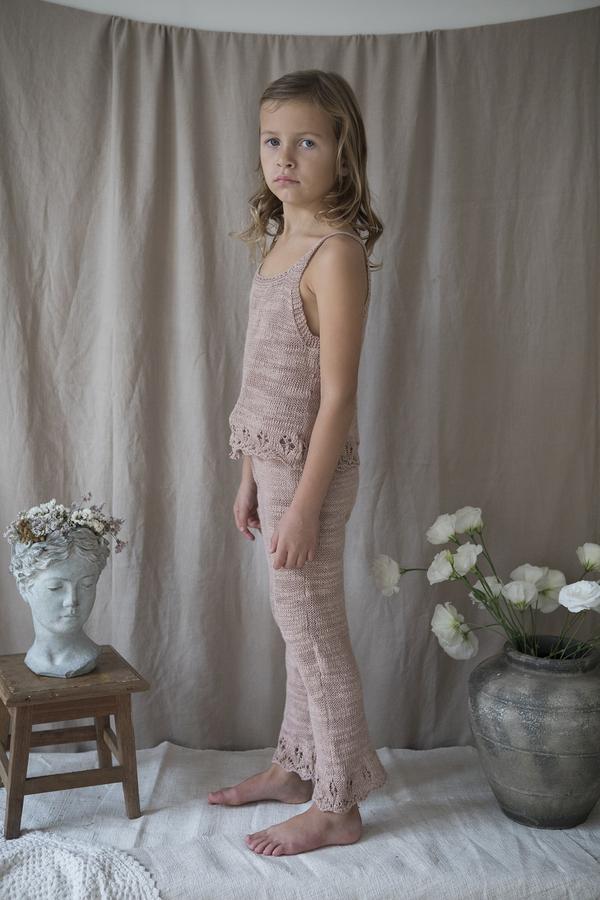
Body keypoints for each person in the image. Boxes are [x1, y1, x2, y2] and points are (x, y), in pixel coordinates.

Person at [208, 69, 387, 856]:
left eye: (307, 141)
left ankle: (339, 804)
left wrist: (306, 504)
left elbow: (338, 395)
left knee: (315, 633)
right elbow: (268, 379)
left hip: (314, 474)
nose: (284, 157)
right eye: (272, 140)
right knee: (296, 627)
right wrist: (249, 476)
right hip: (275, 467)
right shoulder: (280, 242)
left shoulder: (335, 254)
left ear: (342, 151)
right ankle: (294, 766)